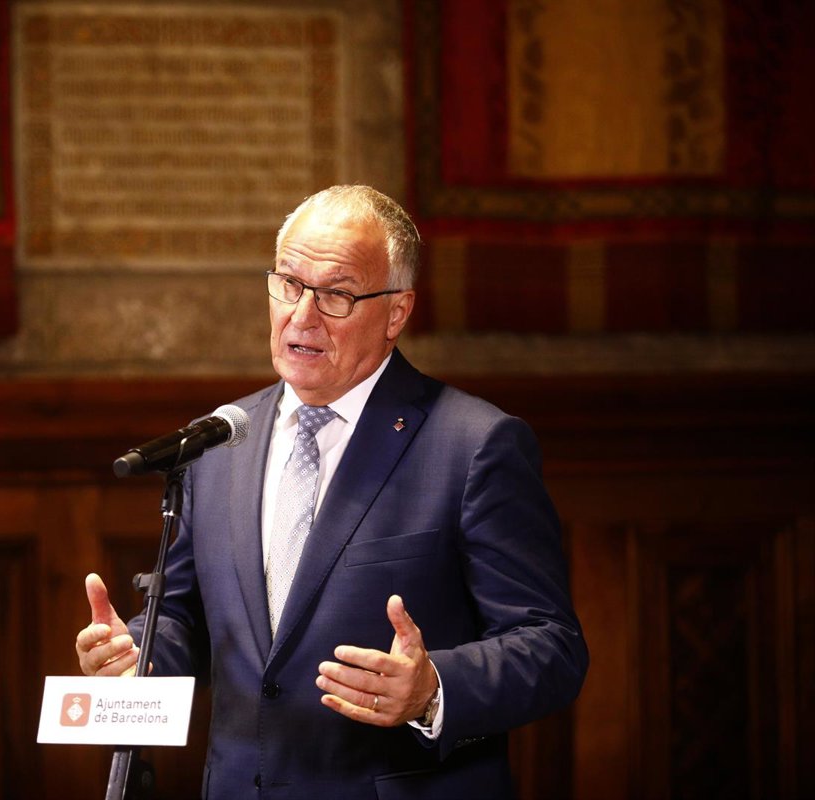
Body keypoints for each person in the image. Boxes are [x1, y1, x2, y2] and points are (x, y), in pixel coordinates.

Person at [75, 185, 588, 799]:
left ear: (396, 312)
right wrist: (141, 653)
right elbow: (188, 617)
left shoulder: (474, 445)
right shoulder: (218, 442)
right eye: (289, 284)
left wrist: (433, 689)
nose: (302, 316)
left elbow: (551, 646)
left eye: (337, 294)